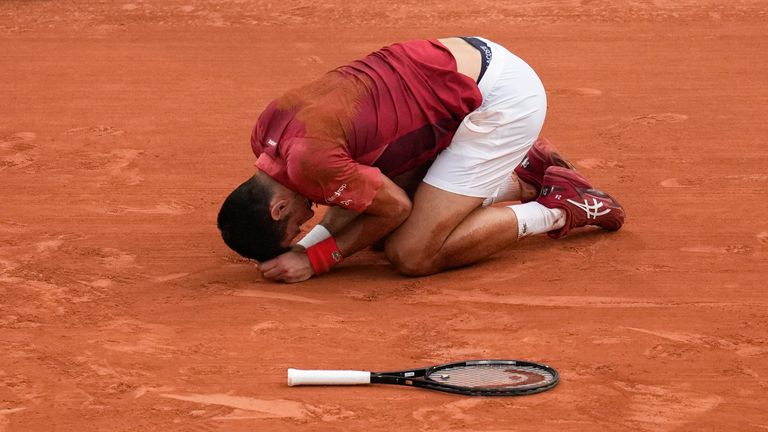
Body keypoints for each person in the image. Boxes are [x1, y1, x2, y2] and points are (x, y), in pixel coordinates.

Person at [217, 36, 625, 283]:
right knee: (365, 218)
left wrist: (316, 259)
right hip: (460, 55)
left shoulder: (311, 163)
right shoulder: (266, 135)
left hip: (501, 102)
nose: (308, 216)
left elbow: (394, 208)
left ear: (278, 207)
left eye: (295, 225)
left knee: (411, 252)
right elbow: (352, 196)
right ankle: (524, 174)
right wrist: (302, 251)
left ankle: (562, 205)